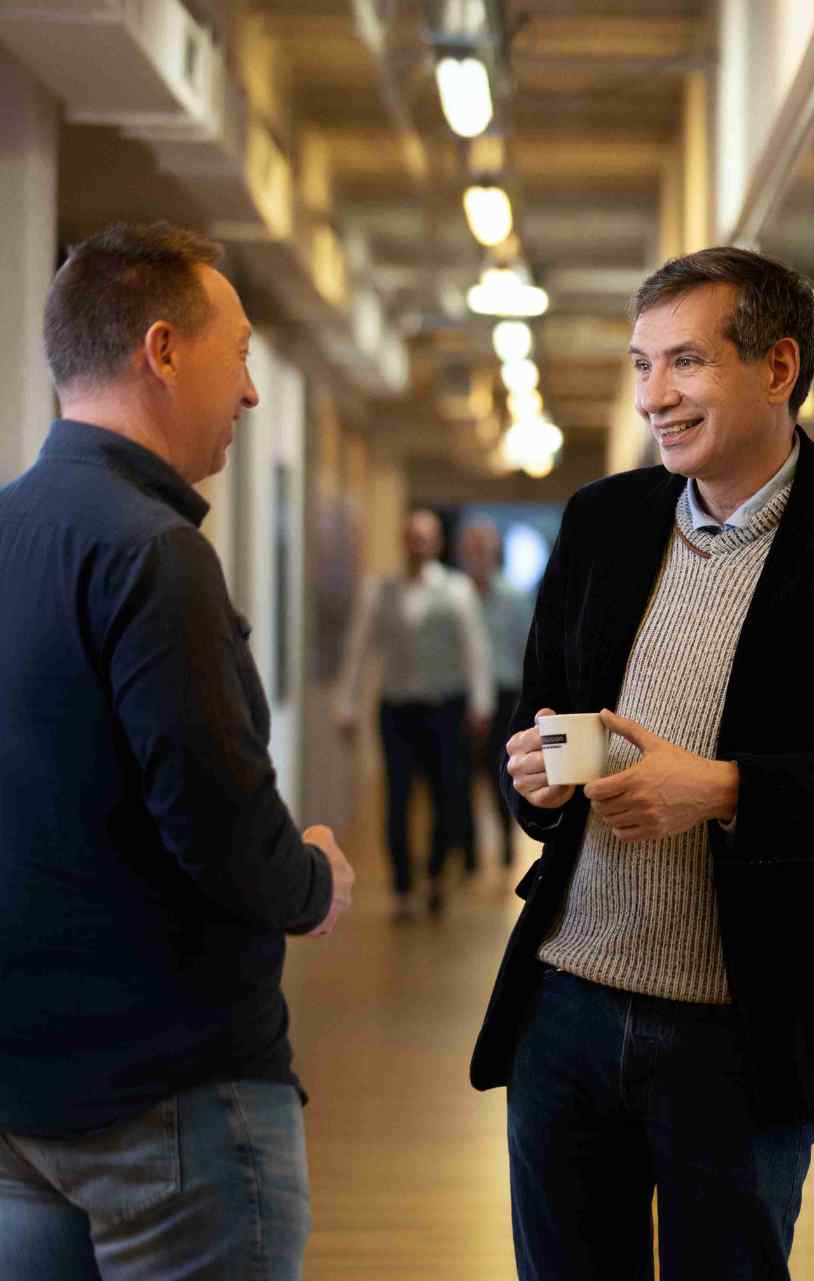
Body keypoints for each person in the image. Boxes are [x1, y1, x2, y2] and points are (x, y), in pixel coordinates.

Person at [469, 247, 814, 1280]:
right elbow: (544, 720)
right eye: (642, 366)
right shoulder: (602, 521)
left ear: (777, 369)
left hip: (742, 1031)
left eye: (684, 363)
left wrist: (723, 790)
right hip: (568, 1005)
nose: (655, 398)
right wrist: (542, 782)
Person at [0, 221, 355, 1280]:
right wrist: (312, 884)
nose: (249, 392)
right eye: (239, 355)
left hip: (23, 1095)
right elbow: (213, 816)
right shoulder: (155, 552)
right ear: (162, 351)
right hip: (171, 1102)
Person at [335, 508, 493, 917]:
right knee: (398, 796)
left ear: (438, 543)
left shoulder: (457, 590)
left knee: (447, 793)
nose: (419, 543)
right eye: (412, 536)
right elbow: (359, 649)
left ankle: (437, 874)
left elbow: (474, 649)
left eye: (427, 537)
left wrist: (481, 704)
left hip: (445, 707)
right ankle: (402, 885)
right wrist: (347, 703)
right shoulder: (379, 590)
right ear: (403, 541)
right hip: (396, 708)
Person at [457, 516, 536, 873]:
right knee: (459, 775)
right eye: (472, 549)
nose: (478, 555)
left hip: (506, 695)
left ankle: (506, 844)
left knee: (499, 772)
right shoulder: (454, 596)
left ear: (495, 552)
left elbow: (529, 651)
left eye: (484, 549)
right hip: (461, 695)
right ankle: (468, 852)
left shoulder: (515, 598)